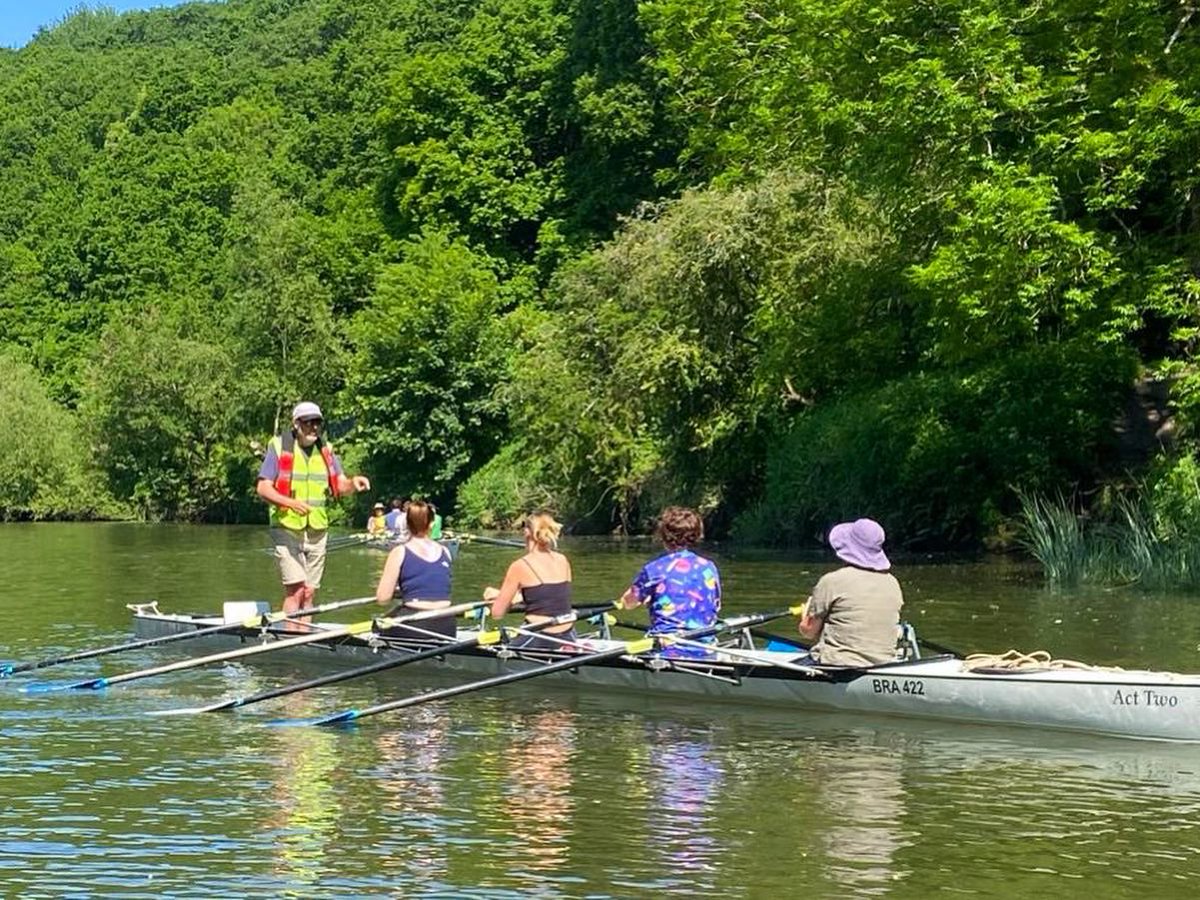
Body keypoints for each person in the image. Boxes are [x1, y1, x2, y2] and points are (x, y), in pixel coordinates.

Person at [256, 401, 371, 620]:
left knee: (309, 593)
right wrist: (290, 503)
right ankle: (289, 638)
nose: (314, 428)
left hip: (318, 530)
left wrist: (354, 483)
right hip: (287, 528)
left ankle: (304, 636)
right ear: (296, 424)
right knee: (296, 589)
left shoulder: (326, 450)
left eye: (317, 422)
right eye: (308, 422)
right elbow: (262, 488)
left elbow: (340, 484)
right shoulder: (279, 447)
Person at [797, 518, 904, 667]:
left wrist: (805, 614)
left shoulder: (832, 581)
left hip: (836, 665)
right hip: (883, 664)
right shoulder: (893, 583)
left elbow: (808, 632)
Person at [617, 506, 721, 658]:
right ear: (696, 535)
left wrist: (645, 597)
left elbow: (628, 603)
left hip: (666, 649)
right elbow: (716, 606)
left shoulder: (654, 569)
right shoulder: (709, 567)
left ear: (664, 536)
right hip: (704, 648)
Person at [484, 512, 574, 650]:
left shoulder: (520, 566)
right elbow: (548, 595)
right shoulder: (563, 560)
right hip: (569, 635)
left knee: (499, 646)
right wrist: (512, 597)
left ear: (526, 532)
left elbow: (497, 613)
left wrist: (498, 597)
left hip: (538, 636)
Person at [374, 499, 455, 641]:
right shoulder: (445, 551)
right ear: (432, 523)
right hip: (447, 624)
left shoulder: (399, 552)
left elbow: (382, 598)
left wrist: (401, 591)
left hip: (415, 623)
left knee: (377, 626)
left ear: (407, 524)